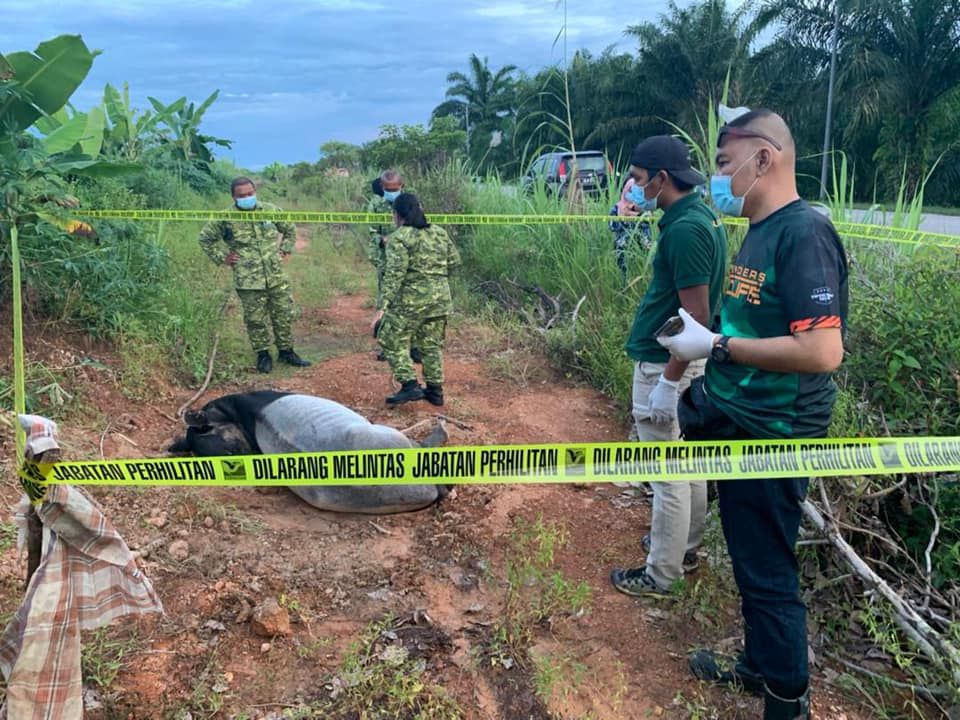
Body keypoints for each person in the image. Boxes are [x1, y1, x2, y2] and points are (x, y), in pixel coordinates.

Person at [656, 109, 848, 720]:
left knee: (768, 571)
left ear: (763, 158)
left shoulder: (803, 234)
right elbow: (749, 325)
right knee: (747, 556)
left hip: (776, 432)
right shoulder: (757, 229)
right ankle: (757, 666)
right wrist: (703, 346)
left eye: (721, 162)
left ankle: (786, 701)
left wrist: (714, 347)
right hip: (740, 421)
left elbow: (822, 351)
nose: (717, 176)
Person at [608, 136, 727, 599]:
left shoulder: (684, 230)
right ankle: (684, 548)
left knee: (667, 469)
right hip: (672, 365)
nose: (634, 190)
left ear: (662, 178)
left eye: (638, 181)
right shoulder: (696, 218)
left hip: (666, 366)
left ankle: (662, 572)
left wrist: (669, 384)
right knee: (688, 462)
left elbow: (693, 319)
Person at [198, 177, 311, 373]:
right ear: (234, 197)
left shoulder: (270, 210)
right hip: (248, 279)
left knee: (283, 314)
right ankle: (263, 354)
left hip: (275, 275)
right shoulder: (224, 217)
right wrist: (223, 257)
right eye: (242, 196)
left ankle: (287, 352)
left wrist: (284, 248)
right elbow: (205, 239)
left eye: (250, 193)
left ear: (255, 191)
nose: (247, 197)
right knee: (255, 320)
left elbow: (290, 229)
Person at [369, 193, 461, 407]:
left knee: (389, 339)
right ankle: (435, 392)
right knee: (431, 346)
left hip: (411, 301)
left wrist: (381, 309)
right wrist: (435, 277)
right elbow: (455, 262)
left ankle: (410, 385)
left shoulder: (399, 238)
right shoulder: (439, 232)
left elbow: (394, 276)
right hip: (440, 300)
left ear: (396, 215)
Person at [365, 170, 422, 364]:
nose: (392, 192)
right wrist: (383, 240)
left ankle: (415, 347)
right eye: (388, 189)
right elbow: (371, 232)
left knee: (413, 302)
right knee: (386, 303)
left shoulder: (410, 201)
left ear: (402, 186)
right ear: (382, 188)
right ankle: (386, 346)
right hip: (386, 261)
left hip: (410, 260)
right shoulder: (375, 205)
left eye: (395, 189)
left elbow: (420, 226)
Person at [608, 177, 653, 282]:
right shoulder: (617, 208)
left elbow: (648, 224)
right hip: (622, 247)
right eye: (630, 190)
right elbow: (612, 226)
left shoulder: (644, 209)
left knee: (642, 269)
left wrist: (638, 214)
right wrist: (622, 216)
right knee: (623, 271)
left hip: (642, 248)